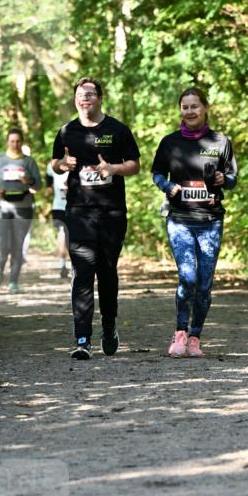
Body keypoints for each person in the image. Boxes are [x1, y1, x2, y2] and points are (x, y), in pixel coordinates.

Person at [51, 77, 140, 360]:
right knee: (83, 274)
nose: (84, 98)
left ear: (100, 98)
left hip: (112, 214)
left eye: (90, 94)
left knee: (107, 272)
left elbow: (135, 165)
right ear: (75, 99)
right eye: (80, 94)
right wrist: (62, 165)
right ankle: (82, 339)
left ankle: (109, 326)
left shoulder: (117, 130)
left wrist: (112, 168)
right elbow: (54, 163)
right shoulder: (67, 131)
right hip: (78, 213)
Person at [151, 86, 237, 358]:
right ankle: (179, 333)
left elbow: (233, 179)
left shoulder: (220, 142)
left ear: (205, 108)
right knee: (187, 276)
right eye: (185, 107)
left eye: (194, 106)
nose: (189, 111)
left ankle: (196, 336)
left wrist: (225, 179)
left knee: (204, 282)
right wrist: (167, 186)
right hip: (180, 219)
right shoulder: (170, 142)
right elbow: (156, 173)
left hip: (210, 221)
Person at [0, 128, 42, 294]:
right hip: (1, 207)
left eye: (18, 141)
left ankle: (13, 282)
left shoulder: (29, 161)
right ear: (7, 142)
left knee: (17, 245)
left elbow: (38, 185)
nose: (15, 144)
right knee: (3, 244)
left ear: (22, 142)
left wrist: (28, 180)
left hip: (23, 206)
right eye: (12, 141)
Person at [45, 162, 70, 279]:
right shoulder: (79, 163)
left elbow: (48, 183)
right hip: (64, 207)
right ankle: (67, 265)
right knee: (67, 235)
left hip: (61, 207)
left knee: (63, 234)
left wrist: (48, 189)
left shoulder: (52, 165)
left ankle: (63, 265)